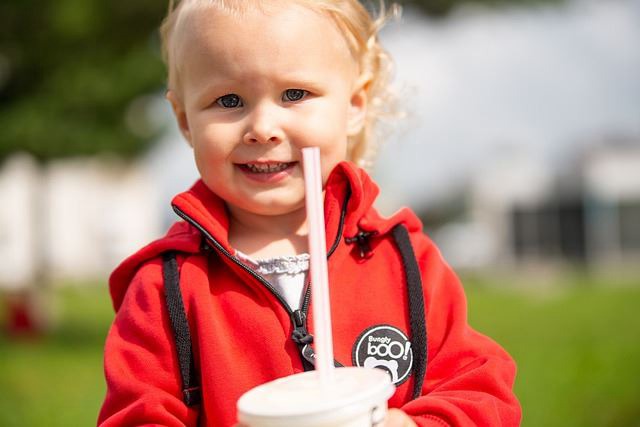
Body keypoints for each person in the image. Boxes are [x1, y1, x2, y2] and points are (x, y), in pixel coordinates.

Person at [98, 0, 521, 426]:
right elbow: (136, 415)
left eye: (294, 94)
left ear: (354, 104)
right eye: (228, 100)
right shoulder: (163, 288)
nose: (263, 127)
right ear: (185, 120)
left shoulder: (407, 262)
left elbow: (481, 391)